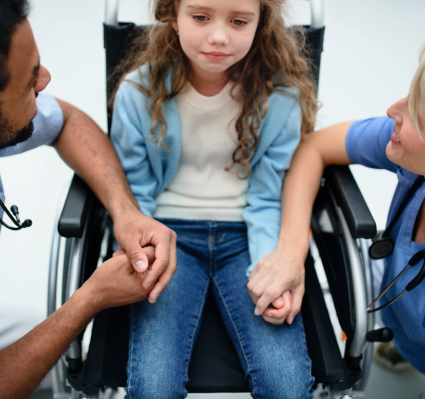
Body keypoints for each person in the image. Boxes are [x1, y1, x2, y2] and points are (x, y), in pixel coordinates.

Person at [0, 0, 179, 397]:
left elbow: (67, 121)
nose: (46, 80)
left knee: (37, 345)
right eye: (28, 81)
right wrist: (89, 299)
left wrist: (125, 212)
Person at [263, 31, 425, 399]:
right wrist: (291, 250)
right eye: (412, 94)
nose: (394, 109)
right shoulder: (422, 156)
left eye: (418, 117)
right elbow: (314, 146)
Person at [109, 0, 319, 397]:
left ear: (261, 23)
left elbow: (268, 196)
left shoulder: (281, 99)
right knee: (152, 389)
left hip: (247, 232)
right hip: (164, 233)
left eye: (239, 21)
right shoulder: (137, 93)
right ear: (173, 14)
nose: (219, 36)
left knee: (288, 387)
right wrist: (140, 254)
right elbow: (134, 196)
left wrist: (269, 268)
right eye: (201, 17)